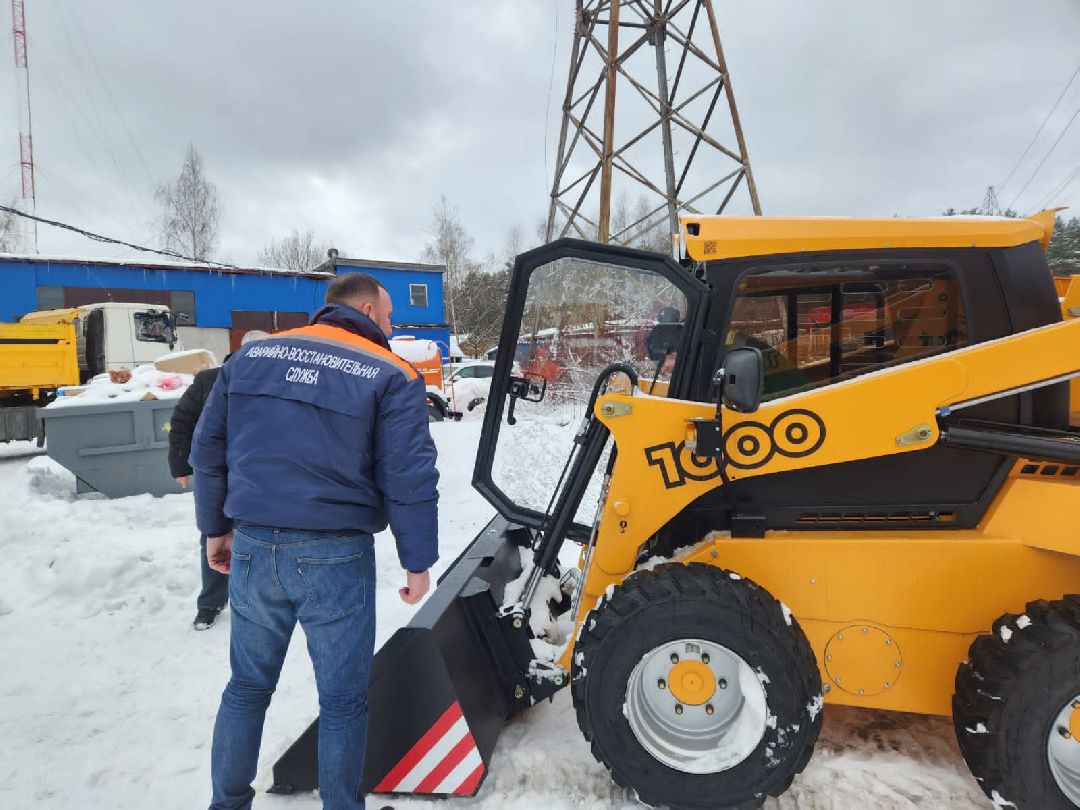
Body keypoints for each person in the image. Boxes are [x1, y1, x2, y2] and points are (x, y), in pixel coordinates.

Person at [190, 272, 439, 810]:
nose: (392, 327)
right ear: (370, 311)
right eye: (391, 316)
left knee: (247, 688)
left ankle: (226, 804)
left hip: (255, 546)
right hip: (335, 556)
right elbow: (409, 476)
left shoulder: (250, 359)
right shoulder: (392, 374)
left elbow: (207, 452)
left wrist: (215, 528)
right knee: (344, 702)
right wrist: (417, 561)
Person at [168, 331, 269, 631]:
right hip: (215, 475)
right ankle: (210, 603)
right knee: (214, 535)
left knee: (263, 537)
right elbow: (182, 422)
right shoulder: (209, 380)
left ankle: (260, 601)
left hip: (260, 478)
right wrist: (179, 465)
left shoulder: (279, 381)